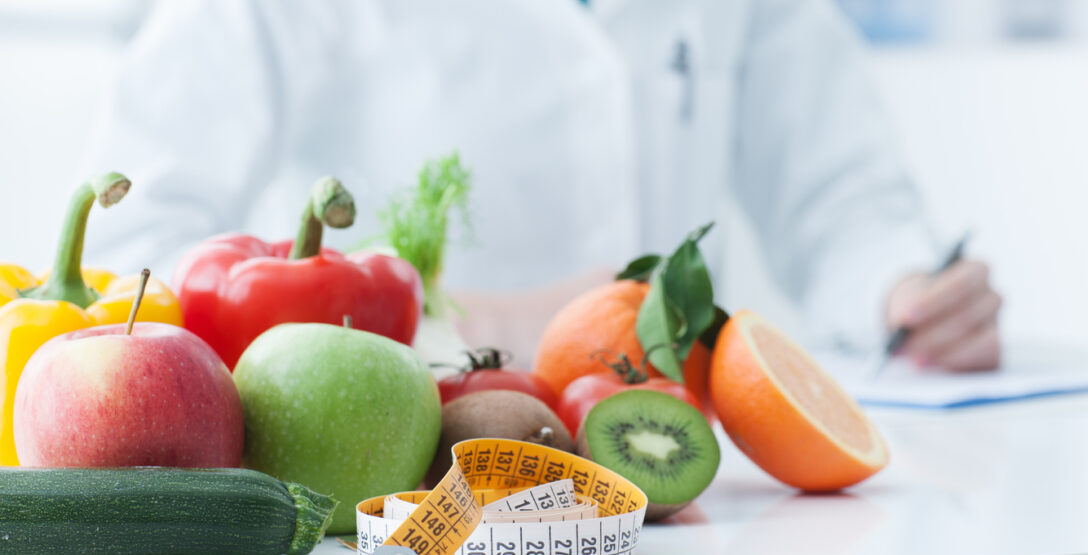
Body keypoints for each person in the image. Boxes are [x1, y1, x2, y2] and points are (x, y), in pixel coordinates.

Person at [80, 0, 1001, 371]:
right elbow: (128, 254)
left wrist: (903, 293)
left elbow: (840, 196)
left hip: (680, 484)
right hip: (405, 504)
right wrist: (446, 324)